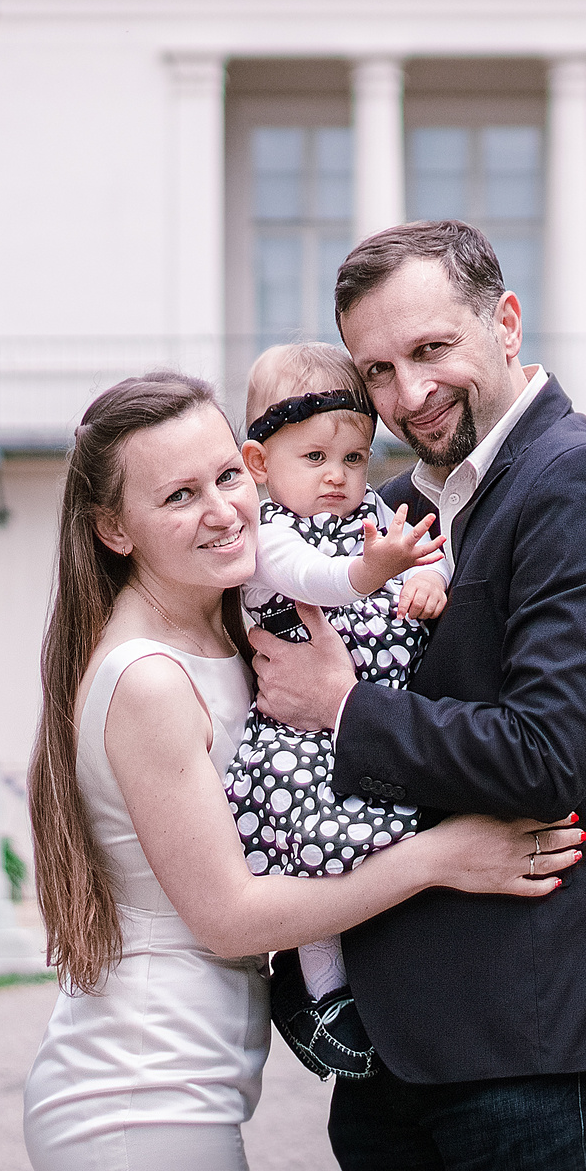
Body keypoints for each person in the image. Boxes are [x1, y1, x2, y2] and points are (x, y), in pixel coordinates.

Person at [20, 372, 586, 1171]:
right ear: (114, 527)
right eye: (179, 495)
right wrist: (439, 857)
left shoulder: (233, 627)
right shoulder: (145, 677)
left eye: (227, 476)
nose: (222, 509)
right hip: (137, 1097)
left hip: (185, 1088)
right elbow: (230, 915)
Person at [250, 220, 586, 1171]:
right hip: (386, 1053)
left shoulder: (583, 483)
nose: (410, 394)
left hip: (526, 1038)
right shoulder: (385, 506)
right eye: (380, 372)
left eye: (433, 349)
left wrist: (344, 708)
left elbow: (547, 753)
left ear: (507, 323)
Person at [222, 342, 449, 1081]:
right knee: (314, 858)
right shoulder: (269, 534)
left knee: (377, 853)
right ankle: (320, 993)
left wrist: (427, 579)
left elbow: (428, 551)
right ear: (260, 464)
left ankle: (368, 988)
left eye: (353, 458)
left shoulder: (374, 511)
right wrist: (374, 570)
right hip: (297, 742)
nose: (337, 476)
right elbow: (312, 578)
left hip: (369, 720)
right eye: (314, 456)